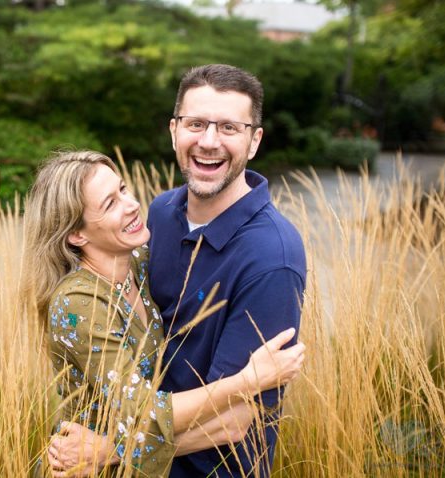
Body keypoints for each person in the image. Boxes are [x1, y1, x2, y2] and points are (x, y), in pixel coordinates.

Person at [48, 64, 307, 477]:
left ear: (254, 141)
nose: (208, 141)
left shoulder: (272, 257)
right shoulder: (161, 215)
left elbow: (237, 418)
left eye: (228, 128)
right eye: (196, 123)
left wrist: (112, 451)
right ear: (174, 131)